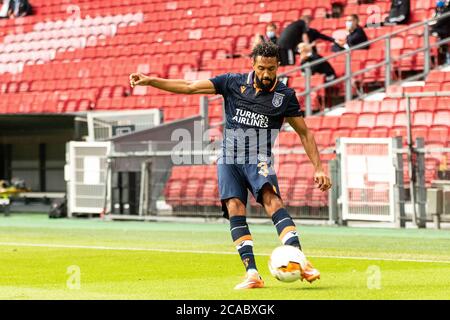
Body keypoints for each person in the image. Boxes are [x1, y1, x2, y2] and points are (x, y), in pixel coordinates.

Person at [129, 41, 332, 290]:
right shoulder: (232, 82)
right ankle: (252, 274)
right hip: (228, 158)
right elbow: (189, 87)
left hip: (258, 156)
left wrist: (319, 168)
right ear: (252, 65)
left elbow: (305, 133)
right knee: (235, 208)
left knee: (271, 199)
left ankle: (300, 260)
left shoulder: (285, 96)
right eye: (261, 68)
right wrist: (151, 81)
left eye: (271, 69)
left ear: (278, 66)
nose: (266, 74)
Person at [430, 0, 450, 65]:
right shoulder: (437, 10)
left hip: (445, 30)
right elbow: (433, 19)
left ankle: (446, 58)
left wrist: (433, 26)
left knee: (437, 35)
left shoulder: (447, 9)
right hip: (438, 29)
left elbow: (440, 21)